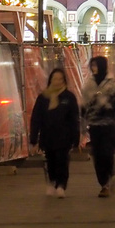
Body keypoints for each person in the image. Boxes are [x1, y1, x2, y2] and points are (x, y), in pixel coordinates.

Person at [30, 68, 80, 198]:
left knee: (62, 161)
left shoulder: (69, 97)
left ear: (64, 81)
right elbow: (36, 118)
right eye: (54, 79)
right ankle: (52, 181)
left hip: (64, 137)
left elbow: (74, 119)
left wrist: (76, 139)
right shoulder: (43, 98)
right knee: (50, 161)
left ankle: (61, 185)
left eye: (60, 79)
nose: (57, 81)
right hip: (48, 137)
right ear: (50, 80)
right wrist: (33, 139)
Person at [80, 55, 115, 197]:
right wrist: (83, 120)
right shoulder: (89, 83)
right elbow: (83, 104)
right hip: (94, 124)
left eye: (96, 65)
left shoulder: (113, 83)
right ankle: (103, 184)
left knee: (108, 152)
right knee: (97, 154)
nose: (94, 68)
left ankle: (111, 173)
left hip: (109, 124)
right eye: (92, 66)